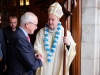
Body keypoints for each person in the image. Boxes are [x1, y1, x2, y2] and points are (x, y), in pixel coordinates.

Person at [34, 2, 76, 75]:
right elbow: (37, 46)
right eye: (49, 19)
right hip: (45, 66)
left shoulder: (66, 33)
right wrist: (38, 53)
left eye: (53, 20)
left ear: (58, 20)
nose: (50, 22)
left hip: (58, 64)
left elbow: (72, 50)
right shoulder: (41, 32)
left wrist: (68, 44)